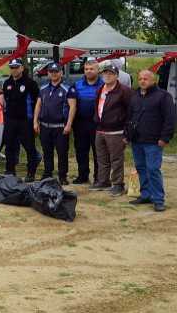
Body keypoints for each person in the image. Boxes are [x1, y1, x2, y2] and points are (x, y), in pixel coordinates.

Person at [128, 69, 175, 211]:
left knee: (153, 169)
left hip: (154, 141)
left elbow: (170, 119)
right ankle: (146, 195)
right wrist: (127, 135)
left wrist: (165, 138)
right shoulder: (134, 96)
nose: (142, 81)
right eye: (140, 78)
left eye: (146, 79)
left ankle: (158, 199)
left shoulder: (163, 96)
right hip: (137, 140)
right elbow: (129, 117)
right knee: (141, 168)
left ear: (153, 80)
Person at [92, 64, 133, 196]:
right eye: (105, 73)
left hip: (116, 131)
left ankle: (118, 184)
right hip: (100, 129)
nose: (107, 75)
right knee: (101, 158)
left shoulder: (124, 91)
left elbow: (131, 112)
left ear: (116, 75)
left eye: (111, 73)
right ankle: (104, 181)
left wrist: (127, 131)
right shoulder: (100, 89)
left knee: (116, 159)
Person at [33, 63, 77, 184]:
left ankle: (62, 176)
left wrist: (69, 124)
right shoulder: (43, 88)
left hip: (60, 127)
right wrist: (35, 121)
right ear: (48, 73)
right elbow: (38, 105)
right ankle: (47, 173)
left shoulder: (68, 88)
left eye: (56, 71)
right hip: (44, 126)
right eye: (51, 72)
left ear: (61, 73)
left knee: (62, 152)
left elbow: (73, 107)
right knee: (47, 152)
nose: (53, 74)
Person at [2, 59, 41, 180]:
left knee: (29, 147)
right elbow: (6, 101)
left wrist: (36, 120)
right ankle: (10, 170)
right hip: (10, 120)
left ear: (22, 68)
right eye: (12, 67)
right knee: (9, 146)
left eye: (16, 67)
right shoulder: (7, 83)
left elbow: (38, 102)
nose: (14, 69)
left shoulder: (30, 83)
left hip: (26, 120)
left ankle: (31, 173)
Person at [71, 58, 103, 184]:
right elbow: (72, 104)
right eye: (86, 69)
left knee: (98, 151)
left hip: (97, 123)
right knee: (81, 150)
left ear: (98, 70)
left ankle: (98, 177)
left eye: (91, 69)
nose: (88, 71)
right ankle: (82, 175)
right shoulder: (77, 85)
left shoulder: (104, 85)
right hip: (80, 123)